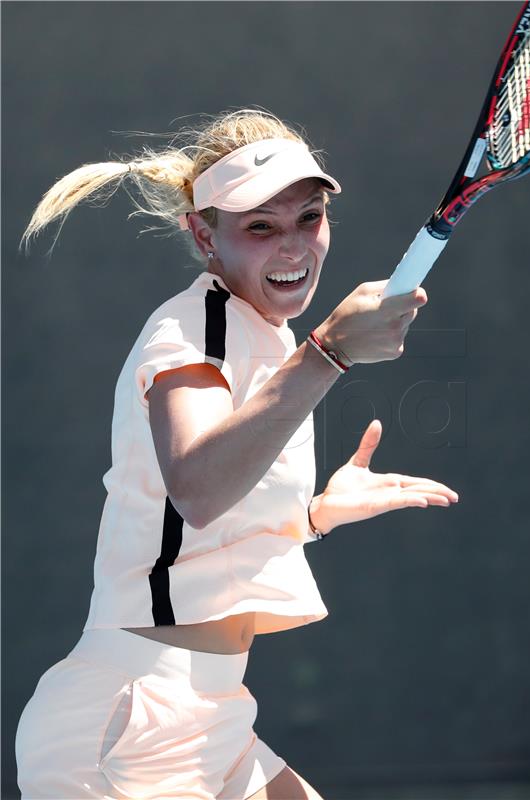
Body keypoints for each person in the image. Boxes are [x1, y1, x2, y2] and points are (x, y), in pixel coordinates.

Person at [15, 108, 459, 800]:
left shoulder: (266, 335)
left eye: (308, 218)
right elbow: (194, 485)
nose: (292, 247)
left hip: (212, 720)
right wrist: (330, 352)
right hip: (131, 725)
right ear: (203, 235)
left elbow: (207, 516)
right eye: (260, 227)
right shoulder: (193, 331)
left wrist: (310, 517)